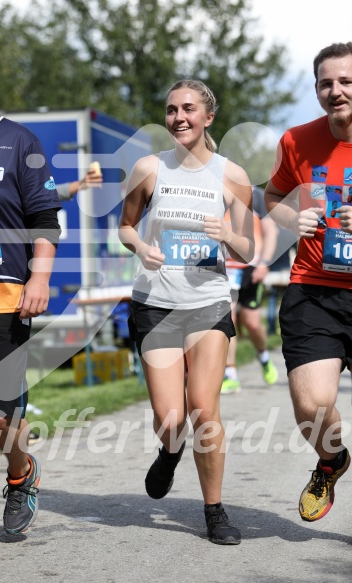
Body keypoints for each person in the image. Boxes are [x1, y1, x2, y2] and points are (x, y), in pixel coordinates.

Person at [119, 79, 254, 545]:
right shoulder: (149, 168)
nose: (179, 117)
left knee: (204, 408)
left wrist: (227, 235)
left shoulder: (231, 175)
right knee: (171, 419)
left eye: (189, 109)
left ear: (208, 117)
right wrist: (140, 247)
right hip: (156, 303)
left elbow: (249, 248)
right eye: (172, 109)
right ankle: (169, 452)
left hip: (207, 304)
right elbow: (125, 226)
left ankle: (215, 510)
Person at [0, 42, 61, 546]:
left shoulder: (18, 141)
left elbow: (45, 219)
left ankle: (21, 472)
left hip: (1, 302)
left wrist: (39, 279)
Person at [264, 42, 352, 523]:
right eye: (326, 82)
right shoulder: (297, 140)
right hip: (315, 289)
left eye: (346, 81)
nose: (335, 91)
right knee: (312, 407)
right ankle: (332, 460)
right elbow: (273, 195)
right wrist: (289, 216)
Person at [221, 186, 279, 394]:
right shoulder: (211, 192)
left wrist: (264, 263)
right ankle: (231, 374)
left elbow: (270, 231)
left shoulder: (255, 195)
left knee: (252, 323)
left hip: (250, 267)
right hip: (224, 268)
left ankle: (263, 357)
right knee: (227, 319)